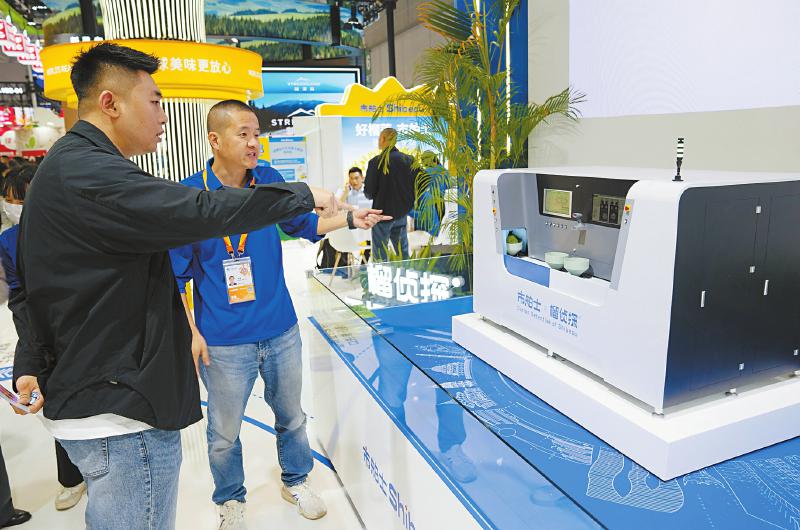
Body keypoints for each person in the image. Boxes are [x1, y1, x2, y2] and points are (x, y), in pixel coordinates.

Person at [10, 42, 338, 530]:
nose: (163, 116)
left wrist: (31, 360)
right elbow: (196, 211)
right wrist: (302, 194)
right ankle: (231, 499)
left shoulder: (71, 167)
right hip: (120, 412)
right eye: (154, 101)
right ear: (110, 103)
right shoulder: (89, 171)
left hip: (118, 395)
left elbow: (35, 282)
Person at [169, 100, 390, 529]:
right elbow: (176, 277)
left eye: (256, 133)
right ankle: (230, 499)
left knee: (292, 417)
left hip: (280, 329)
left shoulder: (268, 180)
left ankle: (297, 479)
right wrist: (191, 331)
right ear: (214, 140)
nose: (254, 142)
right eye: (243, 134)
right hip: (223, 340)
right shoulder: (191, 197)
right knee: (224, 432)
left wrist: (351, 220)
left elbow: (304, 225)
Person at [0, 164, 87, 512]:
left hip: (85, 330)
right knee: (57, 407)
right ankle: (71, 478)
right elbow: (19, 296)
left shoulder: (73, 227)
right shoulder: (9, 241)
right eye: (7, 200)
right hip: (44, 334)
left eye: (17, 199)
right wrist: (31, 348)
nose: (12, 207)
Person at [364, 128, 418, 261]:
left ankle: (382, 275)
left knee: (380, 255)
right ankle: (405, 273)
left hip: (381, 216)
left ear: (383, 139)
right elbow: (418, 186)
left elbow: (369, 193)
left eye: (379, 139)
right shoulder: (409, 160)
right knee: (403, 253)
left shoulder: (375, 162)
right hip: (401, 214)